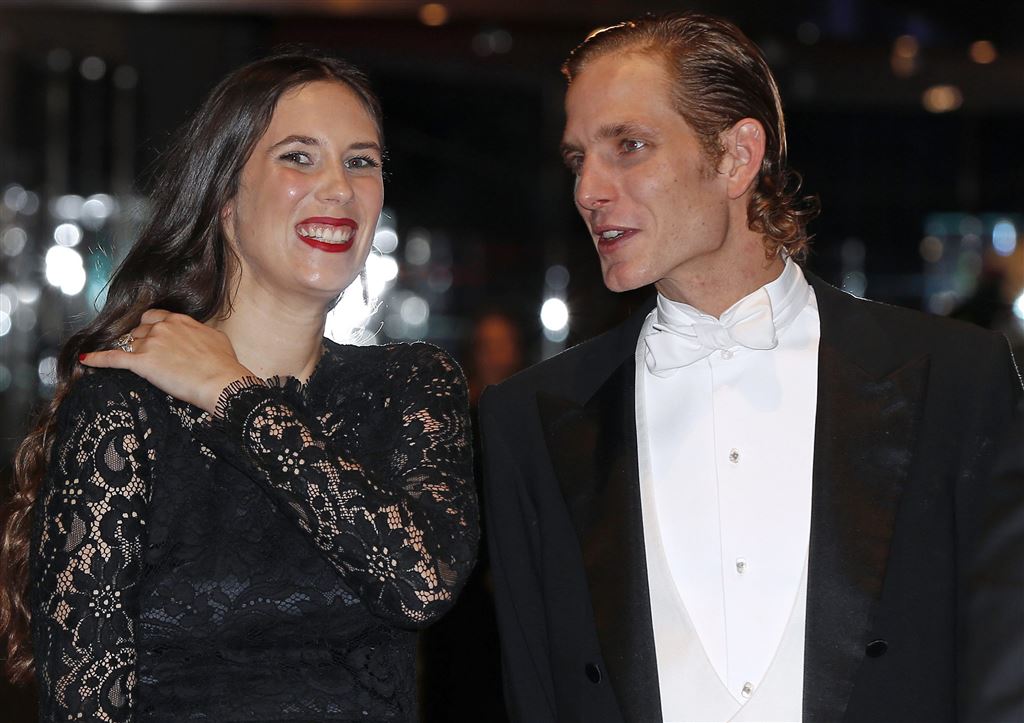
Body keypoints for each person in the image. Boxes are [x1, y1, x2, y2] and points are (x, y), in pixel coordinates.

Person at [479, 12, 1022, 723]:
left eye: (629, 146)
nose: (588, 190)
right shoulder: (526, 420)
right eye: (579, 158)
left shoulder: (956, 379)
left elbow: (1007, 673)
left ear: (737, 156)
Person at [0, 52, 477, 721]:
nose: (339, 188)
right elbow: (84, 705)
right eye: (299, 157)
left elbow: (419, 583)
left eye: (361, 162)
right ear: (225, 198)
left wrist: (234, 395)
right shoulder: (124, 406)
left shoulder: (410, 385)